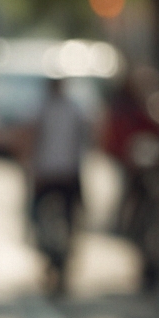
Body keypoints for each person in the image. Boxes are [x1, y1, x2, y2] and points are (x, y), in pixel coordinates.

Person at [28, 76, 94, 294]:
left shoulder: (70, 109)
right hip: (51, 171)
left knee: (70, 218)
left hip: (64, 172)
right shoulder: (44, 109)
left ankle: (65, 259)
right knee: (39, 217)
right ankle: (51, 257)